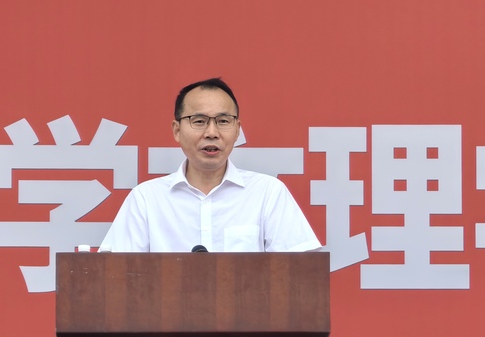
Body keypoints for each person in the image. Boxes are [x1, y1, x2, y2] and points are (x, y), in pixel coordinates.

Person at [99, 77, 321, 253]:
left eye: (223, 121)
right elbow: (115, 276)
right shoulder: (146, 199)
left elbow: (300, 273)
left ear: (237, 130)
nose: (212, 133)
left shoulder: (268, 193)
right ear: (177, 130)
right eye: (199, 121)